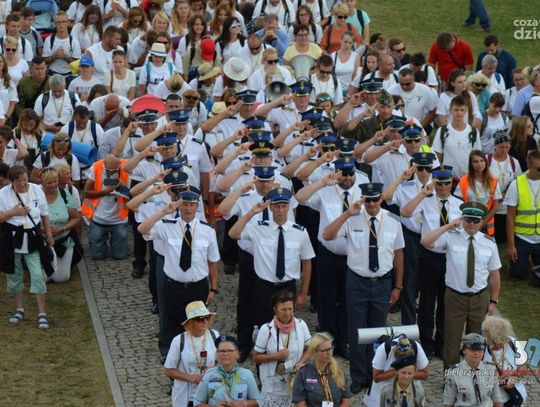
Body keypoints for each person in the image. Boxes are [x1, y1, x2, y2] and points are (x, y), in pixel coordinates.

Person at [323, 183, 404, 393]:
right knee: (357, 330)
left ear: (381, 199)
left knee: (378, 331)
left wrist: (398, 285)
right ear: (362, 200)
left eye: (375, 199)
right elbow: (327, 235)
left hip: (383, 282)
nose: (371, 204)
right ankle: (358, 376)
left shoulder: (393, 221)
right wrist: (347, 214)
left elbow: (398, 254)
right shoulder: (352, 219)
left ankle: (374, 373)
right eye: (367, 200)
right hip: (357, 281)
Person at [138, 185, 220, 357]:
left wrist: (213, 288)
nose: (188, 208)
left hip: (197, 286)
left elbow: (212, 262)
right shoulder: (167, 226)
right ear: (178, 205)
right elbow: (142, 229)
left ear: (197, 207)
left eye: (192, 205)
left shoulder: (207, 231)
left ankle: (194, 354)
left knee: (197, 323)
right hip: (173, 286)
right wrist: (163, 212)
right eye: (184, 204)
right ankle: (169, 354)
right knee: (170, 321)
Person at [421, 202, 501, 367]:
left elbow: (494, 274)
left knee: (475, 342)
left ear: (482, 221)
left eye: (475, 220)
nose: (471, 224)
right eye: (468, 219)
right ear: (462, 219)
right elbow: (425, 241)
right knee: (451, 341)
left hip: (479, 299)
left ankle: (471, 375)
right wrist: (448, 226)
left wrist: (493, 301)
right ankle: (451, 377)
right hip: (455, 297)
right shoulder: (451, 236)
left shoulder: (489, 243)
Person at [229, 186, 314, 341]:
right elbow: (233, 233)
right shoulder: (259, 228)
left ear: (289, 207)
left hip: (288, 286)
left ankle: (285, 353)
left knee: (287, 327)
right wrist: (251, 213)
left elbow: (307, 263)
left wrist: (303, 293)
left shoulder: (300, 232)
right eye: (277, 206)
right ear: (270, 207)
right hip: (264, 286)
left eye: (284, 206)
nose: (281, 210)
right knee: (264, 327)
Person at [400, 166, 463, 359]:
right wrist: (422, 193)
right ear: (434, 184)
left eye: (446, 183)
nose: (443, 187)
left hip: (450, 258)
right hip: (429, 256)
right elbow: (405, 213)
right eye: (439, 184)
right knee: (427, 302)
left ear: (451, 184)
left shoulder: (459, 204)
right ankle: (426, 342)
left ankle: (442, 342)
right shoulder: (426, 201)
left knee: (446, 302)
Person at [0, 165, 54, 329]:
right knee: (15, 276)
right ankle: (19, 309)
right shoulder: (3, 194)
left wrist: (49, 235)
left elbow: (44, 214)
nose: (23, 183)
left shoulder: (37, 190)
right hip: (12, 239)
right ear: (12, 181)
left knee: (37, 275)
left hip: (32, 238)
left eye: (25, 179)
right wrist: (12, 213)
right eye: (19, 181)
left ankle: (42, 313)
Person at [253, 290, 312, 407]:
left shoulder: (301, 325)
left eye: (290, 309)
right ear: (275, 310)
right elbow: (256, 357)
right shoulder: (266, 329)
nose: (287, 313)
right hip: (272, 385)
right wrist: (275, 356)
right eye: (283, 309)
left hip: (294, 381)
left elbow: (310, 348)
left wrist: (300, 363)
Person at [164, 301, 220, 407]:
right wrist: (190, 378)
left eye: (207, 317)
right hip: (187, 397)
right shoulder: (179, 340)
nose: (205, 321)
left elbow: (223, 361)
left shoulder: (214, 335)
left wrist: (214, 369)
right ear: (191, 322)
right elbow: (168, 370)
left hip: (210, 394)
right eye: (200, 319)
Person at [82, 154, 135, 260]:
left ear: (119, 165)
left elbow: (135, 194)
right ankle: (99, 245)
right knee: (97, 257)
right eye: (108, 171)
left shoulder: (127, 167)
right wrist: (107, 191)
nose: (111, 173)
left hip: (119, 220)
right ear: (103, 165)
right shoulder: (96, 167)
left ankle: (115, 246)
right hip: (98, 218)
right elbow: (86, 193)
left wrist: (124, 188)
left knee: (120, 256)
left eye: (114, 171)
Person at [504, 149, 540, 287]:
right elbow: (510, 217)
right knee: (517, 274)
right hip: (523, 238)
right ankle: (519, 262)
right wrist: (511, 246)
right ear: (529, 166)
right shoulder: (516, 184)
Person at [363, 334, 429, 407]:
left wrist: (407, 373)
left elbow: (425, 375)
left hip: (410, 390)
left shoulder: (416, 347)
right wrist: (397, 370)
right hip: (384, 389)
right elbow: (376, 377)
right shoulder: (384, 349)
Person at [194, 335, 261, 406]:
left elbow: (258, 401)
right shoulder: (209, 375)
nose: (225, 354)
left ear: (237, 353)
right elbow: (197, 402)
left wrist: (244, 404)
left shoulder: (247, 375)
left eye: (230, 350)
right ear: (217, 353)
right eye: (222, 351)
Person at [40, 167, 80, 283]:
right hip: (42, 240)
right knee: (43, 279)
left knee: (61, 278)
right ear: (42, 182)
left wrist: (64, 228)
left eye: (55, 181)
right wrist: (43, 229)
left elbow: (76, 217)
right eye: (49, 183)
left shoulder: (64, 194)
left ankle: (56, 263)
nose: (53, 185)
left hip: (64, 239)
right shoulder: (36, 195)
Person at [291, 332, 352, 406]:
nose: (329, 353)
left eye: (330, 349)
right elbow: (299, 402)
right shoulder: (303, 374)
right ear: (314, 352)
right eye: (324, 350)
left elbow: (346, 399)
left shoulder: (339, 371)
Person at [443, 333, 503, 407]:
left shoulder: (491, 369)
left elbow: (497, 398)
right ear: (464, 350)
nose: (476, 353)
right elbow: (449, 402)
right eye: (472, 350)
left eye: (480, 350)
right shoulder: (453, 373)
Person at [432, 95, 483, 182]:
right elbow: (437, 156)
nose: (459, 113)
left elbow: (477, 157)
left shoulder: (473, 132)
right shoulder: (442, 131)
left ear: (466, 111)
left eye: (462, 110)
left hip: (468, 179)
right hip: (447, 180)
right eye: (456, 110)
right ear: (450, 110)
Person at [482, 316, 528, 406]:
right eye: (491, 340)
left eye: (498, 342)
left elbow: (523, 365)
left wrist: (514, 378)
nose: (494, 345)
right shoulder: (481, 347)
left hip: (511, 396)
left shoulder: (512, 342)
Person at [454, 150, 501, 237]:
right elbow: (457, 204)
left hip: (486, 225)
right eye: (475, 162)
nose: (479, 164)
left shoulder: (493, 181)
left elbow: (495, 207)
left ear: (485, 162)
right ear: (471, 164)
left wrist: (482, 223)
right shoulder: (463, 180)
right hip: (468, 223)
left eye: (482, 161)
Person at [487, 131, 522, 243]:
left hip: (506, 207)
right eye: (501, 147)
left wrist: (506, 193)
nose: (505, 150)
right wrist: (496, 194)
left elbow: (518, 182)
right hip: (491, 206)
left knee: (503, 238)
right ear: (495, 145)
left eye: (507, 147)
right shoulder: (487, 160)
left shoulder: (514, 162)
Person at [43, 11, 82, 77]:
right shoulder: (48, 40)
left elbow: (77, 63)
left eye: (64, 22)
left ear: (68, 23)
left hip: (70, 75)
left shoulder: (74, 41)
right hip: (53, 75)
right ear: (55, 24)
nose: (61, 25)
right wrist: (55, 56)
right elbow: (44, 60)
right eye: (59, 22)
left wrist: (65, 56)